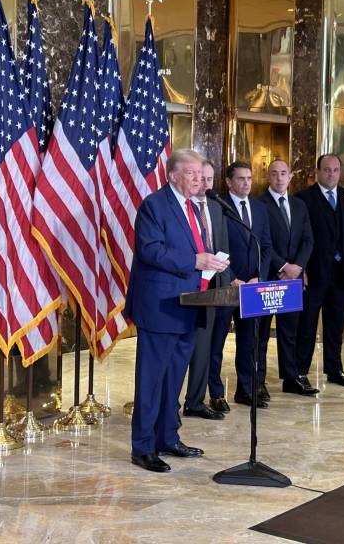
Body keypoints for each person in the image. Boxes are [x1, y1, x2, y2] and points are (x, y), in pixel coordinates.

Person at [126, 149, 229, 473]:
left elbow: (197, 247)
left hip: (190, 303)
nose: (199, 179)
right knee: (152, 380)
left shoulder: (197, 208)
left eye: (201, 174)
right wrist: (194, 261)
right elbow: (150, 249)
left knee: (174, 379)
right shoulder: (154, 205)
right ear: (173, 175)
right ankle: (143, 447)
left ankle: (168, 437)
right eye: (192, 173)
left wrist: (211, 263)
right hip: (160, 306)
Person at [295, 154, 344, 388]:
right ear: (317, 172)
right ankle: (299, 371)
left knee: (336, 325)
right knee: (306, 325)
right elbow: (297, 238)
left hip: (342, 274)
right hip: (313, 274)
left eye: (335, 170)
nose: (331, 174)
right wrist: (301, 268)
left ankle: (334, 368)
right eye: (327, 170)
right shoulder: (303, 198)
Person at [213, 161, 272, 408]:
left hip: (252, 287)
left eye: (249, 178)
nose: (246, 183)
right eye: (240, 179)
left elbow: (266, 246)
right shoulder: (219, 208)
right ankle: (215, 394)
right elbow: (215, 247)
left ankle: (246, 390)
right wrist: (233, 277)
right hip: (228, 285)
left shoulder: (259, 208)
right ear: (228, 182)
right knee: (217, 342)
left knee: (249, 341)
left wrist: (259, 276)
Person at [257, 159, 316, 396]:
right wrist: (282, 265)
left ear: (291, 176)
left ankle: (291, 378)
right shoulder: (258, 204)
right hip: (268, 276)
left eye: (284, 173)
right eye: (274, 174)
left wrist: (298, 267)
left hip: (292, 279)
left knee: (289, 331)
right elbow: (261, 241)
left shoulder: (299, 205)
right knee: (261, 333)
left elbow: (308, 240)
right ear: (268, 177)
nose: (279, 178)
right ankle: (258, 382)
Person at [183, 161, 231, 420]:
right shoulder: (183, 207)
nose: (205, 184)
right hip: (187, 284)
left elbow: (223, 245)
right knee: (184, 346)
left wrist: (229, 279)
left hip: (213, 286)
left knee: (205, 347)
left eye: (210, 179)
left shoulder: (216, 207)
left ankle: (196, 401)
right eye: (201, 178)